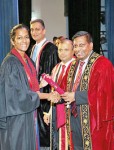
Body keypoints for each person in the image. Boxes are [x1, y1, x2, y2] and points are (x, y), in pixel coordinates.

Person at [60, 31, 114, 150]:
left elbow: (105, 94)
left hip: (94, 121)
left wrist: (76, 96)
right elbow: (63, 86)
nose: (78, 49)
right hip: (73, 118)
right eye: (75, 46)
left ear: (91, 45)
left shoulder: (103, 65)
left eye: (81, 45)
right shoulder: (73, 65)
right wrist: (56, 93)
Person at [0, 24, 55, 150]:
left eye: (26, 37)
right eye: (19, 38)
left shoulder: (27, 60)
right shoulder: (10, 63)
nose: (24, 41)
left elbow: (27, 87)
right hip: (16, 118)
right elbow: (17, 96)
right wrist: (48, 95)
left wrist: (41, 84)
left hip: (28, 114)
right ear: (12, 41)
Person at [30, 19, 60, 149]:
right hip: (35, 93)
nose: (34, 32)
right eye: (32, 30)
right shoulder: (32, 48)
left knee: (45, 130)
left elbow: (53, 76)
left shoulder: (51, 49)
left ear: (44, 31)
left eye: (37, 29)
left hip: (46, 95)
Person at [42, 39, 75, 150]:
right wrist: (49, 112)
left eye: (66, 50)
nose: (62, 53)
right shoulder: (56, 68)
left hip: (72, 112)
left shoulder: (78, 68)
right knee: (57, 141)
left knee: (70, 142)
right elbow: (53, 92)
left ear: (73, 51)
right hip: (57, 110)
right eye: (60, 50)